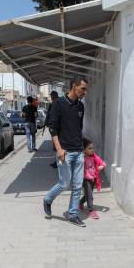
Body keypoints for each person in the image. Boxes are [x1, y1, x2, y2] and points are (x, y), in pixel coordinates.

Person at [43, 76, 89, 227]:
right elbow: (53, 129)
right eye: (83, 88)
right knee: (64, 183)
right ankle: (48, 200)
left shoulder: (80, 106)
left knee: (77, 185)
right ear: (74, 86)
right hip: (65, 152)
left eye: (86, 89)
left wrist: (83, 148)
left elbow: (78, 128)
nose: (85, 92)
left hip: (78, 150)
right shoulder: (59, 104)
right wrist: (59, 149)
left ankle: (73, 214)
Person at [79, 138, 106, 219]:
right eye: (89, 148)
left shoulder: (94, 156)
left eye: (93, 148)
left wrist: (102, 166)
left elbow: (102, 162)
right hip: (85, 179)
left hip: (93, 179)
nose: (92, 150)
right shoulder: (82, 158)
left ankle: (80, 202)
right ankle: (91, 211)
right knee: (90, 195)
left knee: (88, 194)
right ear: (84, 150)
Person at [43, 91, 60, 168]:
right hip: (56, 127)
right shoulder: (58, 103)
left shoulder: (54, 104)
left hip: (55, 128)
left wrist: (50, 126)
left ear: (53, 96)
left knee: (57, 146)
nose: (51, 98)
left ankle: (58, 162)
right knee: (57, 146)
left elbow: (51, 116)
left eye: (51, 96)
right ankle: (57, 161)